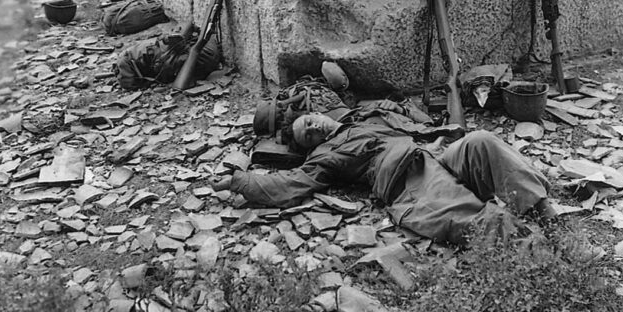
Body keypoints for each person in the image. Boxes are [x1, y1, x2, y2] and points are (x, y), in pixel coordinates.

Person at [213, 109, 555, 247]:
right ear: (310, 147)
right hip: (409, 178)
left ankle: (544, 210)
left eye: (312, 120)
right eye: (309, 134)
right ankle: (537, 255)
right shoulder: (323, 159)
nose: (316, 127)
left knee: (482, 141)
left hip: (433, 153)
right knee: (471, 216)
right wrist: (241, 181)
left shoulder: (362, 117)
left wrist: (435, 135)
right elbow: (289, 186)